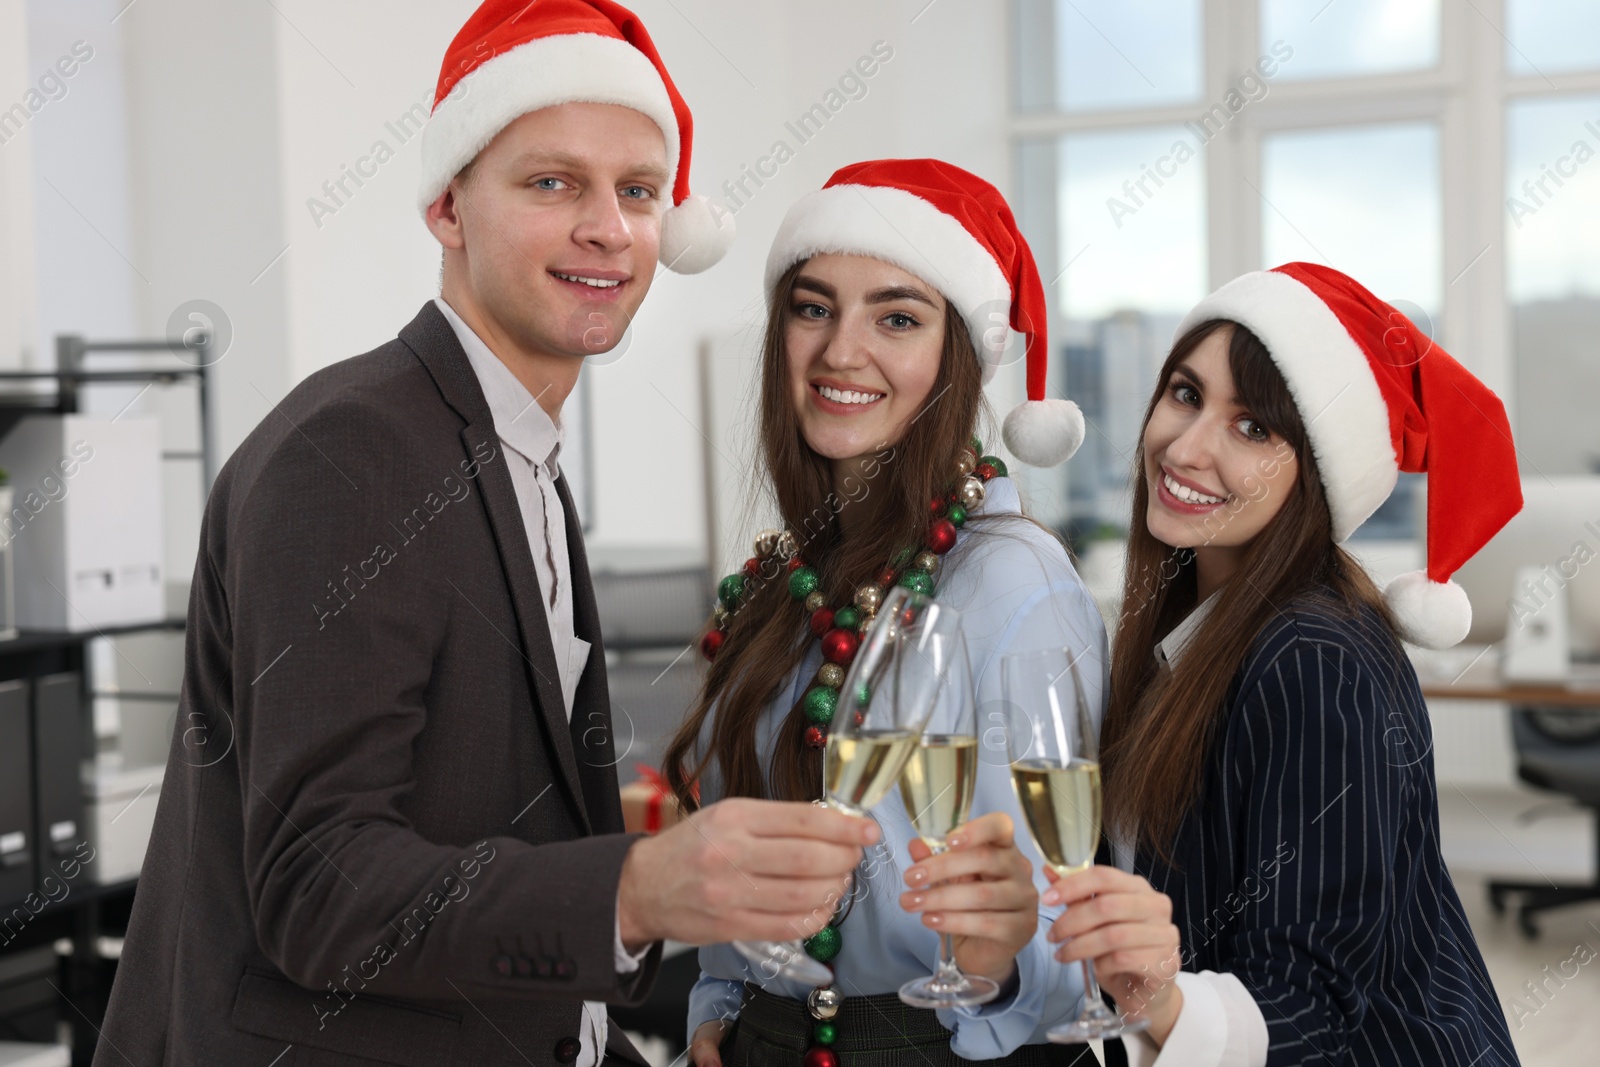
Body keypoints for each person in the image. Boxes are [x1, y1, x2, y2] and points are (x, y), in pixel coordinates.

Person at [94, 3, 878, 1066]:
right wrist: (639, 886)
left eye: (638, 191)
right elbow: (318, 884)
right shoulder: (356, 451)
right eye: (553, 182)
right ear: (448, 207)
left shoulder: (515, 451)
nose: (607, 226)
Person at [663, 159, 1106, 1067]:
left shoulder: (1015, 579)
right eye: (813, 306)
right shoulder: (788, 578)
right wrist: (721, 998)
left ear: (959, 356)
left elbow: (1066, 932)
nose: (840, 350)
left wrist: (1005, 951)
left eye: (897, 317)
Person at [1042, 263, 1522, 1065]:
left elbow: (1312, 1002)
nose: (1187, 447)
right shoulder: (1183, 639)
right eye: (1186, 395)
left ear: (1317, 472)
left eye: (1254, 428)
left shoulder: (1315, 656)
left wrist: (1158, 995)